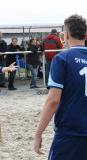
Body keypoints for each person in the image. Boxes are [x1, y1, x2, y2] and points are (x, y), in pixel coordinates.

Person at [34, 14, 87, 160]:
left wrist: (38, 133)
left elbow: (53, 100)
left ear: (66, 35)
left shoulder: (62, 59)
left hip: (70, 133)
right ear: (86, 35)